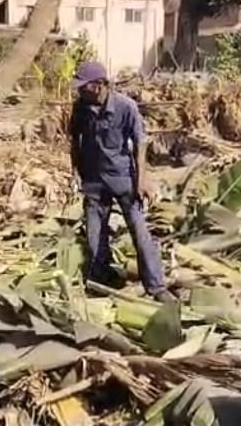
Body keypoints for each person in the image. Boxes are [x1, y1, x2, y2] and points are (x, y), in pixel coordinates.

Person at [68, 61, 176, 302]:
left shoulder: (125, 107)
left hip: (123, 178)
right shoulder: (81, 107)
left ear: (99, 86)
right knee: (95, 234)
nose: (80, 91)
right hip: (94, 179)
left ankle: (157, 286)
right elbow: (75, 140)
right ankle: (100, 279)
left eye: (84, 87)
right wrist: (75, 172)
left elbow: (140, 143)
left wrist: (141, 180)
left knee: (139, 231)